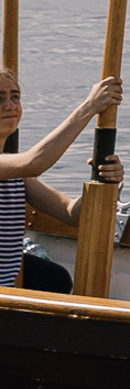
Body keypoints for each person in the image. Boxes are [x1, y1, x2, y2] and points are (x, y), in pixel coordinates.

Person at [0, 70, 120, 292]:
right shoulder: (18, 167)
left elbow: (71, 213)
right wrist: (89, 107)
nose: (10, 106)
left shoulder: (16, 175)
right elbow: (34, 162)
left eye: (14, 96)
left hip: (8, 294)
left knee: (55, 278)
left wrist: (105, 179)